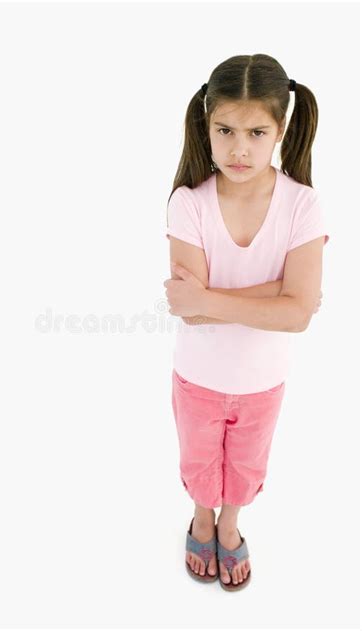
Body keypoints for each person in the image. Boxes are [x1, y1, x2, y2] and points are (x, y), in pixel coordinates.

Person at [163, 54, 330, 590]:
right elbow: (189, 307)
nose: (239, 148)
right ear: (206, 126)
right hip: (197, 377)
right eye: (225, 130)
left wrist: (214, 299)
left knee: (247, 467)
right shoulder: (188, 203)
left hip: (263, 382)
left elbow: (297, 316)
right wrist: (280, 294)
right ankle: (203, 518)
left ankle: (229, 524)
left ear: (280, 129)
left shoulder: (302, 205)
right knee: (199, 461)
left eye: (257, 132)